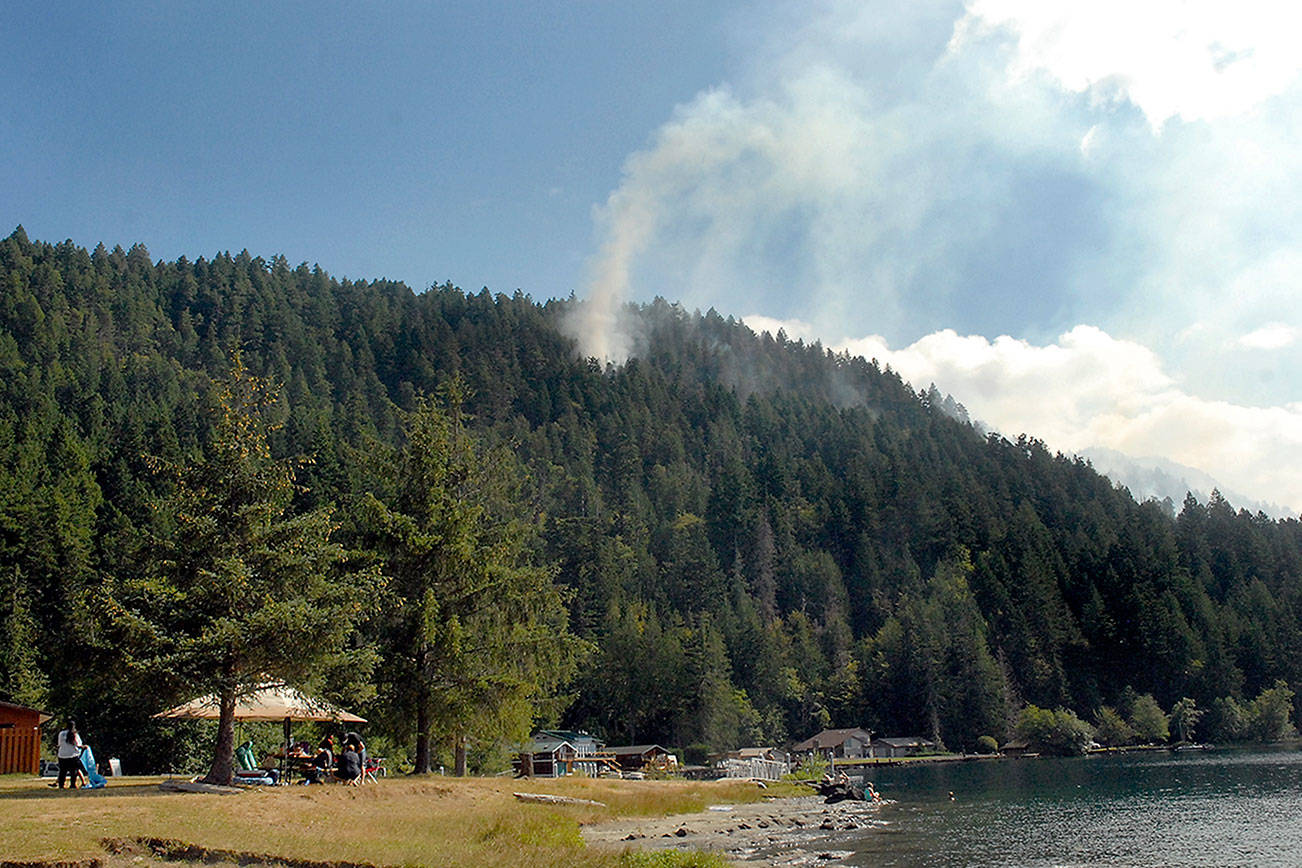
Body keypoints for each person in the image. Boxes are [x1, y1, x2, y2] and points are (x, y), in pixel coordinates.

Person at [55, 720, 84, 790]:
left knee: (62, 771)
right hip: (73, 755)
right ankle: (72, 785)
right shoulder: (75, 734)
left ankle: (61, 785)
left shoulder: (61, 734)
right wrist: (84, 747)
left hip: (62, 755)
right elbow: (78, 745)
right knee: (73, 771)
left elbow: (59, 744)